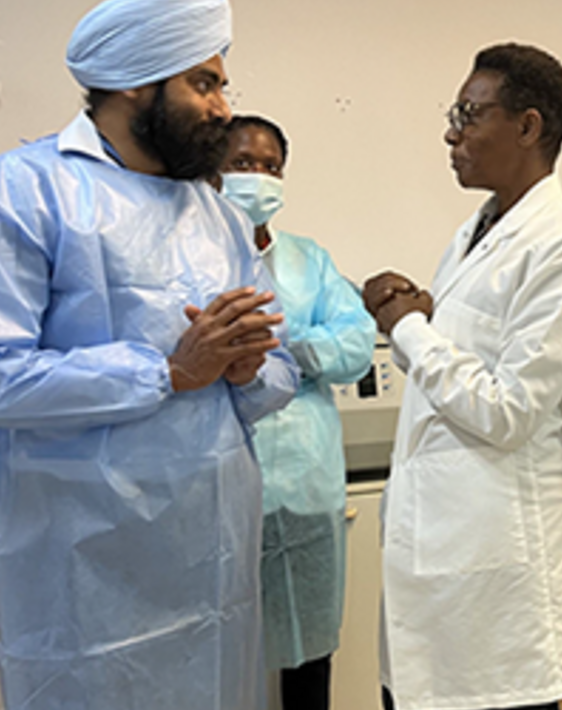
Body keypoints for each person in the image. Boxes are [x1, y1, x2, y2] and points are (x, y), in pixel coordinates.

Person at [0, 1, 299, 709]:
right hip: (83, 568)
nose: (224, 110)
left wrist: (248, 369)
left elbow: (276, 365)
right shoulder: (20, 189)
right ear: (135, 81)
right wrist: (167, 373)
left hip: (212, 554)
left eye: (222, 87)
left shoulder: (220, 216)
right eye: (204, 84)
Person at [364, 43, 562, 710]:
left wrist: (408, 328)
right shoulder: (477, 229)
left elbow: (509, 411)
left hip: (498, 571)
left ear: (528, 127)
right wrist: (420, 318)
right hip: (446, 551)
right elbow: (462, 363)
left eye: (469, 115)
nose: (453, 134)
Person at [219, 115, 378, 710]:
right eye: (242, 164)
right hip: (226, 481)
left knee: (310, 644)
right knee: (225, 644)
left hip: (306, 479)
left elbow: (356, 342)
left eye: (270, 166)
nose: (258, 177)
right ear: (213, 169)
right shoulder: (191, 258)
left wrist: (284, 347)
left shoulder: (309, 261)